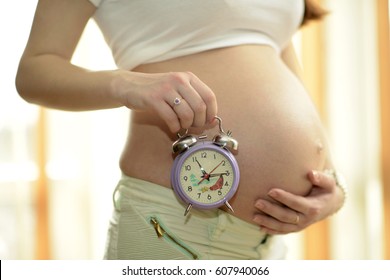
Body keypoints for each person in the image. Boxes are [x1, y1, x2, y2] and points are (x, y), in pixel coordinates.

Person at [16, 0, 346, 260]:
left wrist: (333, 185)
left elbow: (288, 76)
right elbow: (34, 71)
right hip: (174, 228)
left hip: (267, 244)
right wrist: (127, 83)